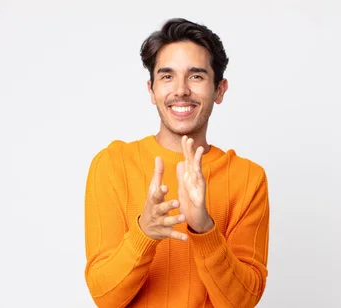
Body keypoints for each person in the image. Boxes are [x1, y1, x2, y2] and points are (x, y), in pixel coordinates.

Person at [83, 18, 270, 308]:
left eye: (196, 76)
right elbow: (106, 297)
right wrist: (144, 232)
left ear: (220, 89)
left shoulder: (248, 178)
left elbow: (242, 302)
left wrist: (204, 228)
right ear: (151, 89)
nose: (180, 90)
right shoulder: (112, 165)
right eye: (167, 76)